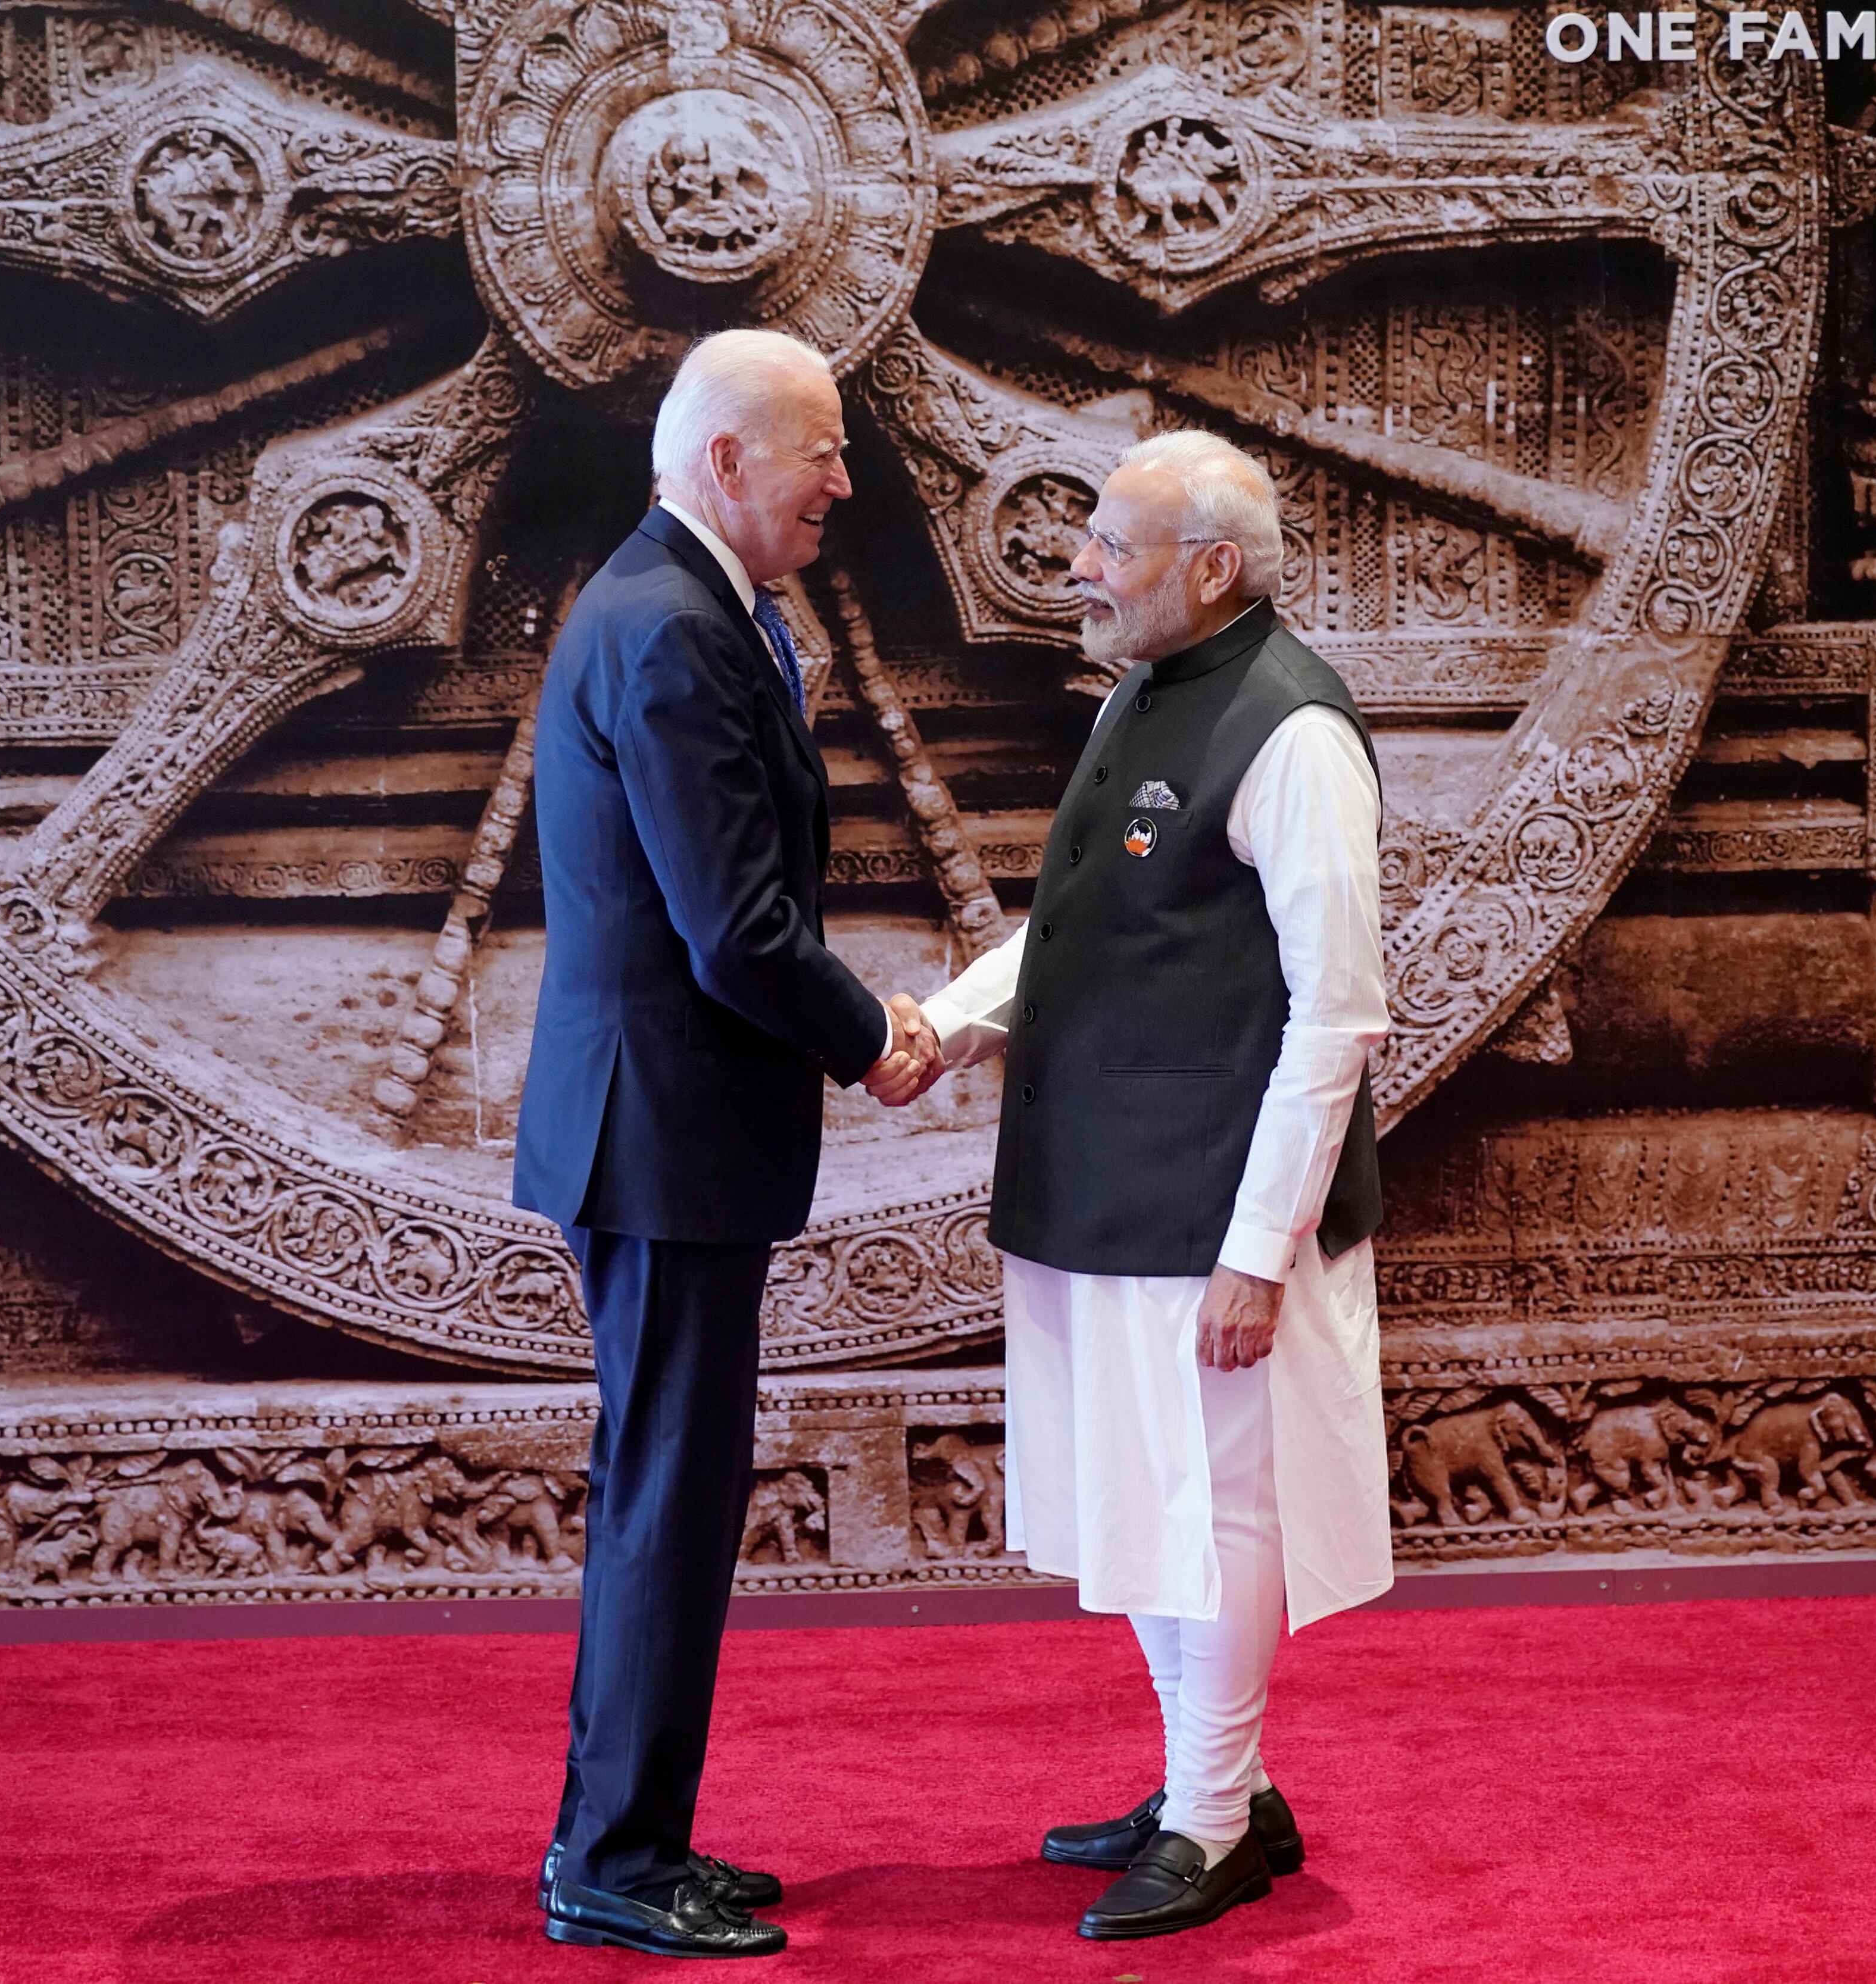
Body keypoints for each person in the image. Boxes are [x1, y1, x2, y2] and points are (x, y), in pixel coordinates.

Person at [886, 430, 1393, 1941]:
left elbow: (1339, 1010)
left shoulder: (1293, 732)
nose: (1082, 570)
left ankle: (1219, 1819)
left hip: (1206, 1207)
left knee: (1215, 1505)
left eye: (1113, 546)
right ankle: (1203, 1783)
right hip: (1102, 1186)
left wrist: (1260, 1246)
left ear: (1210, 569)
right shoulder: (1145, 693)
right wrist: (952, 1025)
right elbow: (1087, 931)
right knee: (1147, 1505)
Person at [513, 327, 942, 1960]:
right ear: (724, 464)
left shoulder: (677, 608)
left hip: (662, 1129)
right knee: (668, 1495)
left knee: (667, 1487)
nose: (845, 479)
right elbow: (738, 932)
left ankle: (632, 1834)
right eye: (819, 449)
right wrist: (874, 1034)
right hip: (666, 1136)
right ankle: (616, 1859)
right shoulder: (676, 628)